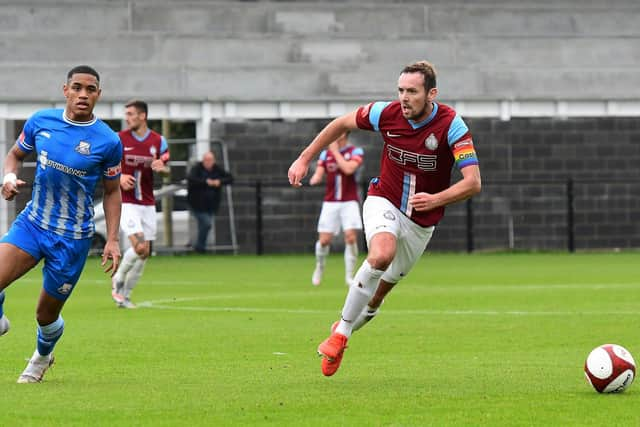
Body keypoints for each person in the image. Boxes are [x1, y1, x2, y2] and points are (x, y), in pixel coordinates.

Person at [288, 61, 481, 377]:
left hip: (422, 222)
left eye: (412, 91)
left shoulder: (452, 125)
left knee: (376, 298)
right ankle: (339, 335)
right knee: (380, 255)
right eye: (401, 90)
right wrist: (304, 158)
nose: (404, 98)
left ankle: (344, 330)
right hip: (384, 199)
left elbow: (473, 182)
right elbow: (341, 123)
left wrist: (436, 199)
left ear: (431, 93)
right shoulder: (385, 113)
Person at [0, 65, 122, 383]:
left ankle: (42, 357)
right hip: (33, 224)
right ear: (65, 89)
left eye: (90, 89)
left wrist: (112, 239)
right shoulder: (41, 121)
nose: (83, 94)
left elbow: (112, 192)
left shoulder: (107, 141)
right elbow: (15, 154)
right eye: (77, 87)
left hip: (72, 238)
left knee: (45, 314)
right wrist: (9, 177)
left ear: (99, 94)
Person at [110, 100, 170, 308]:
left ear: (142, 116)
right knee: (140, 245)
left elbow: (168, 169)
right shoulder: (119, 140)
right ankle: (117, 279)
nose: (127, 118)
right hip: (126, 203)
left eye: (131, 114)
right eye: (126, 114)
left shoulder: (158, 141)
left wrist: (162, 168)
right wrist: (119, 178)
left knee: (145, 254)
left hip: (148, 203)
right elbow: (104, 168)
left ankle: (125, 295)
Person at [308, 131, 364, 286]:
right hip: (331, 202)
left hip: (349, 201)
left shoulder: (355, 151)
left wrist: (335, 152)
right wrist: (314, 178)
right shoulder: (325, 155)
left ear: (344, 134)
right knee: (324, 241)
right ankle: (319, 266)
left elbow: (348, 169)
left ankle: (349, 275)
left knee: (351, 237)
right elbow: (318, 174)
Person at [186, 151, 233, 253]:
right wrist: (206, 182)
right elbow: (191, 179)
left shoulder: (216, 169)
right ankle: (200, 247)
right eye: (206, 160)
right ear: (203, 161)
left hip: (211, 205)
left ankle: (197, 247)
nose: (209, 162)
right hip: (196, 204)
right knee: (207, 224)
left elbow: (230, 178)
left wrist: (219, 181)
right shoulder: (197, 169)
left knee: (204, 226)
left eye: (211, 160)